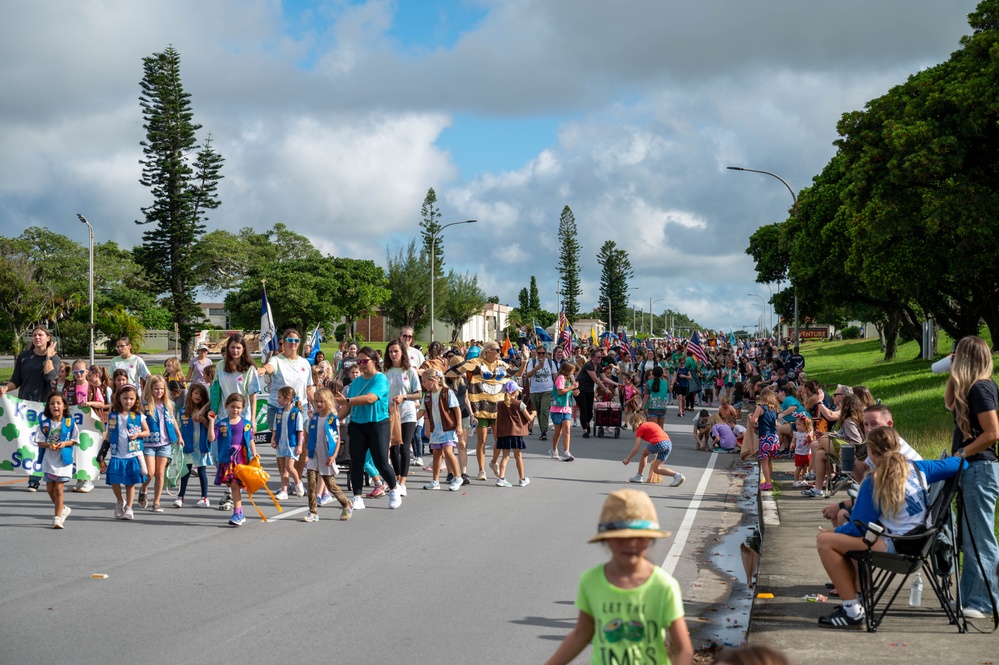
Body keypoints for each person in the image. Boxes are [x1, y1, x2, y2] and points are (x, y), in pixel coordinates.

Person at [815, 426, 964, 628]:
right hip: (920, 545)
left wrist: (833, 533)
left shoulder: (873, 480)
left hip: (896, 548)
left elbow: (857, 528)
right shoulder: (921, 468)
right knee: (837, 537)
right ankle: (855, 602)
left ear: (872, 452)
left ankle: (852, 611)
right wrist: (961, 454)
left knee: (825, 542)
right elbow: (958, 464)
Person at [543, 489, 692, 665]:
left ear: (650, 539)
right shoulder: (591, 581)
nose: (630, 544)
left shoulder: (664, 585)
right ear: (606, 540)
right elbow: (581, 635)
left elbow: (684, 650)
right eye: (620, 538)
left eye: (639, 537)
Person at [945, 335, 999, 619]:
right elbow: (949, 403)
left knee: (980, 537)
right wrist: (954, 375)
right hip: (972, 470)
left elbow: (992, 433)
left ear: (966, 358)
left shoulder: (982, 389)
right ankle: (971, 598)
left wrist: (961, 454)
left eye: (957, 355)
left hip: (980, 468)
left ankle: (983, 602)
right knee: (970, 536)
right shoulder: (971, 388)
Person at [334, 346, 402, 510]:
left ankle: (394, 489)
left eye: (365, 361)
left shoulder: (381, 379)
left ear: (374, 361)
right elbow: (348, 408)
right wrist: (333, 420)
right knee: (356, 461)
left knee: (380, 461)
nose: (362, 365)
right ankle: (357, 496)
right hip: (357, 425)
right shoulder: (356, 383)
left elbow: (370, 398)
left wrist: (348, 401)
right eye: (359, 362)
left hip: (377, 423)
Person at [2, 326, 60, 491]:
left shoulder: (54, 358)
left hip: (44, 407)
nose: (37, 338)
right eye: (34, 335)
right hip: (24, 407)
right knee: (28, 441)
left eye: (41, 335)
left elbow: (50, 377)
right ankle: (33, 477)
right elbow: (16, 379)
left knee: (43, 442)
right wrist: (6, 388)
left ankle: (38, 478)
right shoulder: (24, 356)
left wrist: (48, 356)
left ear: (48, 338)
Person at [446, 341, 509, 480]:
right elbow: (469, 366)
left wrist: (524, 360)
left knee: (498, 439)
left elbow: (516, 373)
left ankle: (491, 463)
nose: (499, 352)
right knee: (474, 441)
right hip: (478, 408)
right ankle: (473, 471)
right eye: (496, 350)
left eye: (499, 350)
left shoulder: (501, 365)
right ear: (487, 351)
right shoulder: (473, 364)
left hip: (493, 407)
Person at [300, 388, 352, 522]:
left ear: (328, 401)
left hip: (326, 454)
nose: (318, 404)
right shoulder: (315, 418)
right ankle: (313, 511)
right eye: (316, 401)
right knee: (311, 483)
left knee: (331, 484)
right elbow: (309, 435)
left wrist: (333, 455)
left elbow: (337, 438)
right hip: (314, 454)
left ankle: (346, 504)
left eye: (321, 401)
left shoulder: (332, 419)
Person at [104, 385, 150, 520]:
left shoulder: (138, 416)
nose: (128, 401)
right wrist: (102, 450)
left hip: (132, 454)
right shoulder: (113, 415)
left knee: (130, 483)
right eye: (125, 398)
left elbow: (147, 431)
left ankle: (129, 508)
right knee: (114, 481)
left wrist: (139, 434)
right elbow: (108, 434)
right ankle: (120, 500)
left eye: (131, 399)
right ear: (119, 398)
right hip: (116, 454)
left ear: (136, 400)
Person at [34, 393, 79, 528]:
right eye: (52, 403)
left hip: (63, 461)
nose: (55, 406)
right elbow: (40, 441)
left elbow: (75, 440)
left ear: (64, 406)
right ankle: (63, 508)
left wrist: (64, 444)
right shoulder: (44, 424)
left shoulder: (69, 422)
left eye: (58, 403)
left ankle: (57, 518)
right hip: (49, 460)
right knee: (50, 489)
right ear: (48, 406)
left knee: (59, 489)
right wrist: (49, 445)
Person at [138, 375, 180, 513]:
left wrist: (179, 435)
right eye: (156, 389)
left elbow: (172, 419)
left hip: (165, 443)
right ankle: (143, 489)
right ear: (150, 389)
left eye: (162, 389)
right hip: (149, 443)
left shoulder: (168, 404)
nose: (159, 391)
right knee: (149, 473)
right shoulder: (144, 405)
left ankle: (156, 502)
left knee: (160, 474)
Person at [384, 340, 421, 495]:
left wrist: (404, 397)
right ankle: (397, 478)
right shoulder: (385, 372)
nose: (393, 354)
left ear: (402, 353)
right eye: (391, 352)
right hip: (391, 413)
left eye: (396, 351)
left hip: (407, 413)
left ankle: (403, 482)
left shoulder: (410, 371)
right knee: (394, 447)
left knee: (405, 446)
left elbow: (418, 393)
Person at [418, 369, 464, 492]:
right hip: (435, 429)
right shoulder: (427, 396)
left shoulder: (446, 392)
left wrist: (459, 425)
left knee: (448, 452)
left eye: (424, 381)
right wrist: (408, 421)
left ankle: (457, 477)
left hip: (448, 428)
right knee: (436, 454)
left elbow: (457, 409)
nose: (423, 384)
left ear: (433, 381)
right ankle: (435, 481)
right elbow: (421, 412)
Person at [214, 393, 255, 527]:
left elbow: (250, 439)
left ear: (242, 408)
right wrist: (210, 423)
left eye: (238, 407)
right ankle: (239, 512)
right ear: (227, 406)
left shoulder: (246, 423)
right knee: (233, 485)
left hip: (241, 458)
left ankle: (238, 513)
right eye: (232, 407)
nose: (235, 410)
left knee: (235, 485)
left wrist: (254, 453)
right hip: (227, 457)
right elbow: (211, 438)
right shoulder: (221, 423)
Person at [174, 382, 214, 509]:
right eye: (196, 393)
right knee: (185, 472)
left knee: (202, 471)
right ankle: (180, 497)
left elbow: (212, 429)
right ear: (190, 394)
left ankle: (204, 497)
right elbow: (178, 428)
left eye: (201, 395)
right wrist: (178, 440)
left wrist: (204, 420)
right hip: (188, 446)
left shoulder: (208, 412)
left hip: (201, 447)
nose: (198, 397)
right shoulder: (183, 412)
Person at [490, 381, 535, 487]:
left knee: (505, 456)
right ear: (515, 391)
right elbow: (528, 418)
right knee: (518, 456)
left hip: (504, 433)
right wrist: (533, 413)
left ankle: (501, 478)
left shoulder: (500, 404)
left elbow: (498, 420)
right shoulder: (519, 403)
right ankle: (522, 479)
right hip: (515, 433)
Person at [623, 412, 685, 487]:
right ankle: (677, 476)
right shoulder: (651, 424)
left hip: (659, 443)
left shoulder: (640, 429)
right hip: (668, 444)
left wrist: (628, 459)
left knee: (644, 453)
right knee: (656, 469)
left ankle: (639, 476)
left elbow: (636, 448)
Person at [271, 386, 305, 500]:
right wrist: (273, 438)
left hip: (292, 444)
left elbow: (300, 430)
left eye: (279, 397)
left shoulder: (296, 413)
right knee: (283, 469)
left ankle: (298, 483)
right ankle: (284, 490)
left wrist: (300, 445)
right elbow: (275, 427)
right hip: (281, 444)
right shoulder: (279, 412)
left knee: (289, 466)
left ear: (288, 398)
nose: (278, 400)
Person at [445, 355, 472, 485]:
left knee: (462, 444)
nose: (465, 370)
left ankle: (464, 472)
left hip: (464, 414)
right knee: (449, 446)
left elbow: (466, 399)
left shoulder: (464, 380)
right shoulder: (446, 381)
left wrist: (472, 414)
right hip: (449, 415)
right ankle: (450, 473)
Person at [522, 345, 558, 441]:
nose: (541, 355)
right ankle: (543, 429)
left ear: (545, 353)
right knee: (538, 410)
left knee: (544, 410)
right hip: (535, 390)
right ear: (536, 354)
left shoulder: (550, 363)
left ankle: (543, 431)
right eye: (539, 353)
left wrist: (559, 388)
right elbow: (528, 375)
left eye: (543, 353)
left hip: (547, 389)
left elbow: (555, 376)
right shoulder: (532, 362)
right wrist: (536, 369)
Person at [749, 387, 781, 491]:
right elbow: (775, 423)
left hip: (765, 437)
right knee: (769, 461)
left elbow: (754, 420)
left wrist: (750, 417)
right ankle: (769, 480)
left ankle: (767, 483)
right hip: (774, 436)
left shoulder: (760, 407)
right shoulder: (774, 409)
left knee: (764, 461)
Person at [577, 347, 611, 439]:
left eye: (601, 357)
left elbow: (604, 378)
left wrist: (617, 384)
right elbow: (595, 379)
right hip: (580, 389)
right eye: (598, 357)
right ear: (593, 357)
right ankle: (585, 430)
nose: (600, 359)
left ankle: (586, 422)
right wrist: (605, 389)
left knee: (590, 412)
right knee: (583, 409)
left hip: (589, 390)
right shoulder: (588, 365)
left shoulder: (599, 366)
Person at [550, 362, 578, 461]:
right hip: (557, 408)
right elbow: (560, 391)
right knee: (558, 432)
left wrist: (574, 391)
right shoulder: (560, 378)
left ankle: (566, 452)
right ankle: (554, 449)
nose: (573, 372)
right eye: (572, 370)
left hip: (567, 408)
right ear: (567, 370)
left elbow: (568, 391)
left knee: (567, 430)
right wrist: (572, 388)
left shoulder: (569, 379)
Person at [792, 413, 815, 488]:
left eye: (799, 425)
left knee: (806, 467)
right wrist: (792, 444)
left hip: (807, 453)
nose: (797, 426)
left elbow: (813, 442)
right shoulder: (796, 434)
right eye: (796, 424)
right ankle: (796, 480)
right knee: (798, 467)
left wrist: (810, 439)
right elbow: (793, 441)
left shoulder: (808, 433)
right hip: (799, 453)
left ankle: (803, 480)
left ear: (806, 426)